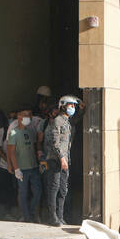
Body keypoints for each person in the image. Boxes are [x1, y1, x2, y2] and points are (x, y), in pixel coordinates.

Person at [43, 95, 77, 226]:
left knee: (63, 189)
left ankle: (60, 216)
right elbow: (54, 142)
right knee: (54, 187)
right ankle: (52, 217)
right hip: (55, 159)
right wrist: (62, 158)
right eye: (70, 105)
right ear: (63, 106)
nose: (72, 108)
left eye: (73, 106)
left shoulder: (67, 122)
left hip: (65, 160)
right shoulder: (57, 121)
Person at [7, 107, 42, 223]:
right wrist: (16, 168)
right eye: (26, 116)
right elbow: (11, 152)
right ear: (19, 117)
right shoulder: (13, 132)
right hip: (22, 168)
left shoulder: (30, 131)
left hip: (33, 167)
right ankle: (26, 217)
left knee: (38, 192)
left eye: (29, 116)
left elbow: (34, 147)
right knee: (23, 193)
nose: (29, 118)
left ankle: (31, 213)